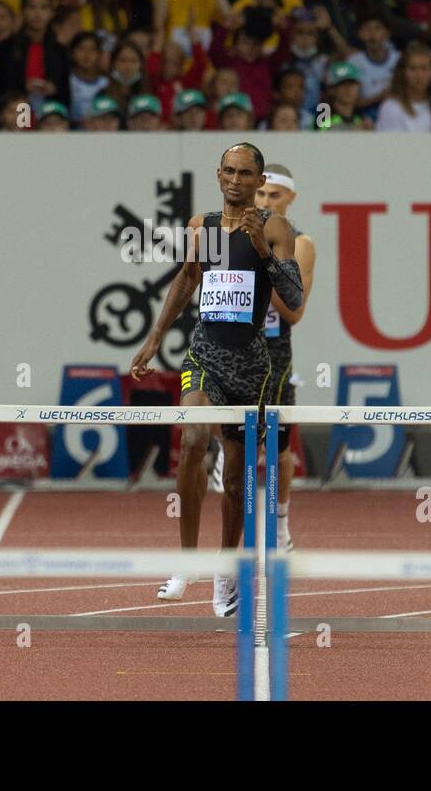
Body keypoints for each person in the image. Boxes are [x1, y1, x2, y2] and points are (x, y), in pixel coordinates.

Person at [130, 143, 302, 615]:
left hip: (253, 363)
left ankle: (227, 572)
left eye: (246, 174)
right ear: (218, 174)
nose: (235, 180)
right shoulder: (201, 227)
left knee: (237, 477)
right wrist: (153, 339)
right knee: (192, 438)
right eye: (228, 171)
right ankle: (186, 561)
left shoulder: (275, 227)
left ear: (258, 180)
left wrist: (265, 251)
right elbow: (187, 278)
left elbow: (293, 297)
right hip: (204, 352)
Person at [253, 164, 316, 550]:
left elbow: (294, 312)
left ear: (290, 198)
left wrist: (265, 263)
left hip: (275, 350)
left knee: (278, 445)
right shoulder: (232, 233)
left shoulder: (301, 243)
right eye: (260, 195)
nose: (265, 202)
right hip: (236, 343)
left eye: (274, 196)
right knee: (231, 439)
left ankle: (280, 524)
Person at [374, 41, 431, 131]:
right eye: (412, 68)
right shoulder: (391, 107)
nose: (419, 75)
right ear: (402, 73)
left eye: (424, 68)